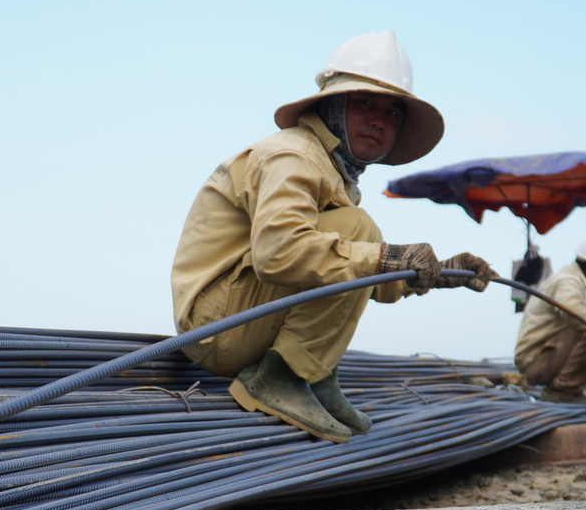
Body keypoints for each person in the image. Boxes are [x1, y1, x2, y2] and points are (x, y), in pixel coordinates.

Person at [170, 31, 494, 443]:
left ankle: (313, 374)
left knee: (359, 236)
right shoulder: (293, 156)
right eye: (365, 103)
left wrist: (442, 272)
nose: (379, 119)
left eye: (393, 112)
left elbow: (349, 280)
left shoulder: (330, 169)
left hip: (241, 316)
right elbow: (279, 254)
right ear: (332, 105)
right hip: (217, 329)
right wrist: (385, 257)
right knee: (360, 231)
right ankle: (281, 377)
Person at [514, 230, 586, 404]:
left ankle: (569, 390)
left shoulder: (578, 282)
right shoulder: (567, 281)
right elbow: (573, 311)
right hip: (535, 362)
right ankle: (562, 392)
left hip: (544, 358)